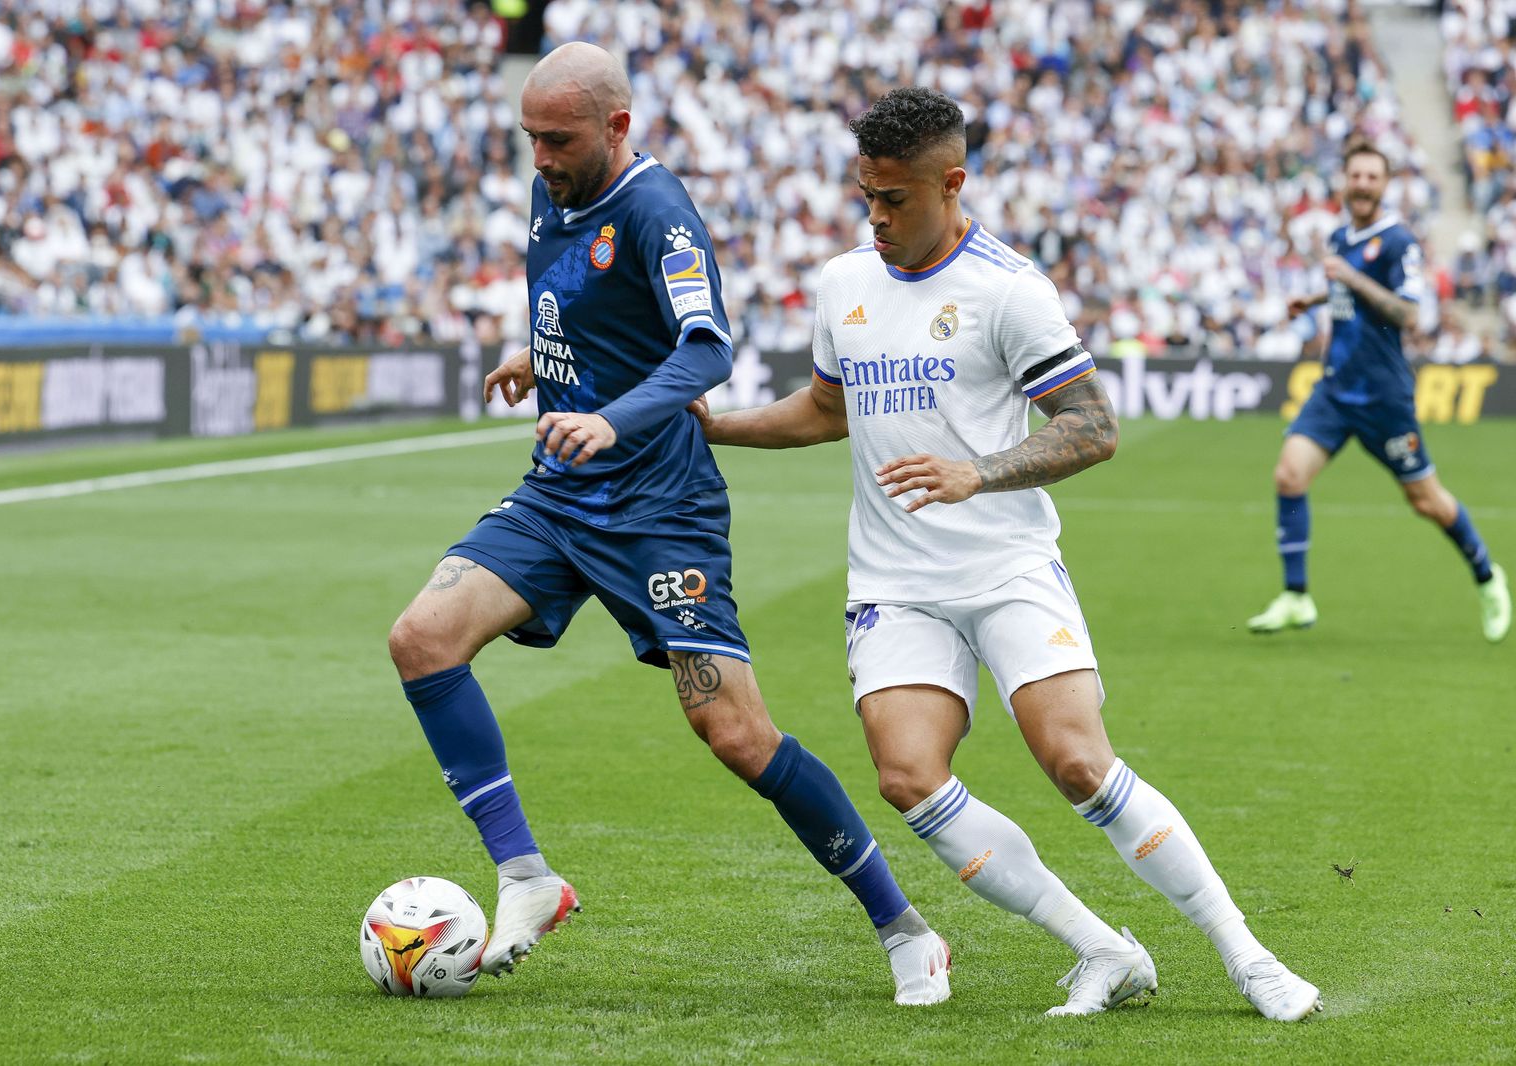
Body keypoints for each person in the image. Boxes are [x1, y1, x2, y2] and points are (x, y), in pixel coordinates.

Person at [693, 86, 1321, 1021]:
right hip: (896, 583)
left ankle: (1248, 955)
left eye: (895, 198)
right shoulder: (844, 284)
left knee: (1076, 761)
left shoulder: (1009, 289)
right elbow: (826, 411)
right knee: (908, 775)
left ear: (952, 185)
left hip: (1007, 570)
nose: (876, 217)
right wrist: (718, 429)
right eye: (866, 195)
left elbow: (1093, 427)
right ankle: (1103, 949)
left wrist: (976, 473)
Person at [386, 43, 952, 1005]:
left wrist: (609, 417)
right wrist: (542, 353)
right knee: (422, 638)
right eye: (529, 138)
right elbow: (592, 303)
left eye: (557, 139)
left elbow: (706, 350)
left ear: (617, 126)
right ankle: (527, 879)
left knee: (733, 732)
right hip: (561, 494)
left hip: (660, 511)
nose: (539, 158)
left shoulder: (658, 209)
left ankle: (904, 928)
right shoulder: (552, 189)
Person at [1248, 142, 1511, 642]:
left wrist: (1347, 277)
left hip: (1383, 398)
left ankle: (1486, 575)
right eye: (1357, 175)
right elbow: (1350, 285)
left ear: (1384, 185)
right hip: (1335, 388)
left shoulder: (1397, 242)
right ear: (1344, 181)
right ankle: (1296, 597)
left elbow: (1409, 314)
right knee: (1289, 475)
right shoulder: (1341, 236)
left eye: (1373, 176)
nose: (1364, 184)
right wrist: (1317, 296)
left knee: (1426, 500)